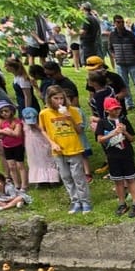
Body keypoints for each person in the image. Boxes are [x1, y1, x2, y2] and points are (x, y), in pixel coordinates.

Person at [39, 85, 92, 213]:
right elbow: (43, 130)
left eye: (61, 98)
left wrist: (70, 119)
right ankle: (75, 201)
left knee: (78, 176)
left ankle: (85, 201)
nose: (59, 101)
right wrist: (52, 143)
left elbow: (80, 130)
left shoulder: (73, 110)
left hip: (73, 147)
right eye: (56, 98)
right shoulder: (44, 113)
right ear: (49, 99)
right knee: (66, 176)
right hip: (58, 150)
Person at [96, 96, 135, 217]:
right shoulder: (102, 122)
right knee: (118, 181)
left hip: (126, 155)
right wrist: (112, 133)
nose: (116, 111)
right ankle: (122, 203)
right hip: (113, 156)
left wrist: (125, 132)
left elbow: (132, 138)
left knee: (131, 179)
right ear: (107, 110)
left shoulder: (124, 120)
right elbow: (99, 139)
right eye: (113, 109)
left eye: (118, 109)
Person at [108, 14, 135, 106]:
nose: (121, 24)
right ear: (114, 23)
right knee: (124, 85)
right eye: (118, 22)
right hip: (120, 63)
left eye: (122, 22)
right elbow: (110, 48)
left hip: (132, 63)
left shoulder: (130, 34)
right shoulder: (112, 35)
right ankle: (129, 103)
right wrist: (114, 55)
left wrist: (134, 56)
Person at [0, 100, 28, 192]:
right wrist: (7, 131)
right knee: (11, 166)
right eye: (1, 112)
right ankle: (17, 184)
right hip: (7, 146)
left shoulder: (16, 121)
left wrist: (3, 131)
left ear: (11, 111)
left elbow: (17, 134)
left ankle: (24, 185)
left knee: (20, 165)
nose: (4, 113)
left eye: (6, 111)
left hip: (18, 146)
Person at [23, 106, 60, 189]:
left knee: (47, 161)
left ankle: (52, 179)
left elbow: (44, 132)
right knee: (35, 163)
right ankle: (40, 181)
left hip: (43, 145)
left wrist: (37, 126)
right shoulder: (24, 126)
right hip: (32, 148)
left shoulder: (41, 123)